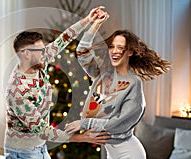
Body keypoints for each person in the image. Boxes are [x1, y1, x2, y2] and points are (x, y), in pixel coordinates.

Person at [4, 6, 111, 159]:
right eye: (40, 51)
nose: (45, 53)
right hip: (22, 152)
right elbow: (42, 130)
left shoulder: (38, 61)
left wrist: (89, 19)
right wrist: (82, 138)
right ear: (26, 54)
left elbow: (64, 38)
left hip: (39, 146)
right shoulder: (18, 90)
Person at [65, 9, 171, 159]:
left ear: (130, 52)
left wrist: (83, 123)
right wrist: (96, 24)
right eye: (111, 47)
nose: (114, 51)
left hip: (128, 152)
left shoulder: (134, 84)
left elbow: (120, 121)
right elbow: (82, 51)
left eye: (120, 48)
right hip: (111, 150)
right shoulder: (103, 73)